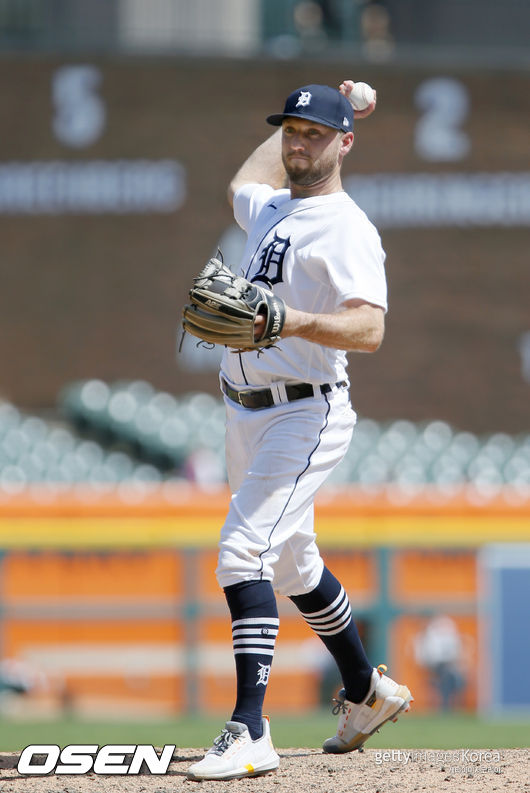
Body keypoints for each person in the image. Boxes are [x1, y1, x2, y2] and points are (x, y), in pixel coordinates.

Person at [187, 80, 412, 781]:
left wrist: (291, 320)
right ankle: (368, 690)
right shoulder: (274, 204)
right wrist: (319, 105)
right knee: (293, 564)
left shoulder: (348, 228)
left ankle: (249, 729)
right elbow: (242, 180)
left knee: (241, 549)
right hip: (242, 406)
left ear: (346, 142)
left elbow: (370, 327)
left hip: (304, 410)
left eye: (315, 132)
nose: (297, 141)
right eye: (291, 128)